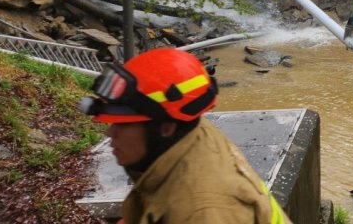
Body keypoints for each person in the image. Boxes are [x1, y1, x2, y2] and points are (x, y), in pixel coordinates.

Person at [79, 48, 293, 224]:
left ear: (166, 127)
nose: (110, 132)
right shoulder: (190, 134)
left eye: (123, 124)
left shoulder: (203, 212)